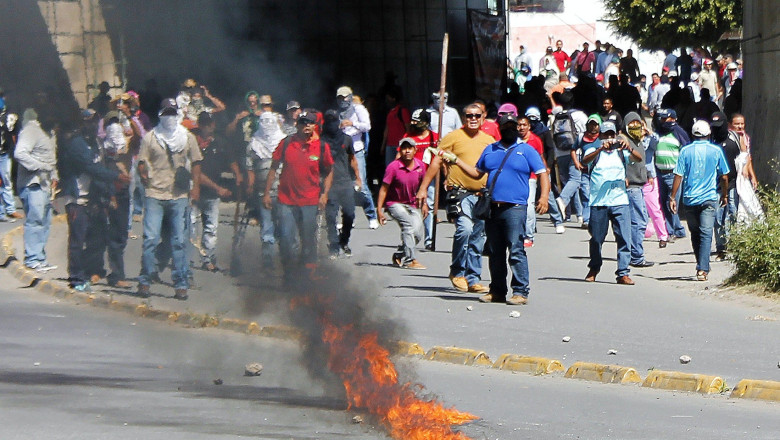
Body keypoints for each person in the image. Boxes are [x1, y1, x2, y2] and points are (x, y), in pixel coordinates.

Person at [433, 114, 550, 305]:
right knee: (495, 251)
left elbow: (542, 173)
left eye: (513, 126)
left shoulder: (526, 150)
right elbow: (477, 172)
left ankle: (520, 291)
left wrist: (543, 197)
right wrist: (455, 161)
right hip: (493, 208)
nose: (510, 129)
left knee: (516, 250)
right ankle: (497, 291)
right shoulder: (490, 150)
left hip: (515, 208)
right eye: (506, 126)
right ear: (500, 129)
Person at [416, 103, 493, 293]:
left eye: (476, 115)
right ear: (464, 117)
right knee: (465, 230)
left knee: (478, 236)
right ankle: (457, 271)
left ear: (483, 117)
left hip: (482, 195)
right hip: (460, 193)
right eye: (469, 115)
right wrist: (423, 188)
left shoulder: (489, 140)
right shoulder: (453, 137)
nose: (473, 119)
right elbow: (437, 161)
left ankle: (473, 278)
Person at [136, 98, 203, 300]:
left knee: (179, 241)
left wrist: (196, 187)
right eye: (166, 113)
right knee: (150, 239)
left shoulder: (187, 138)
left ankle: (181, 284)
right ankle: (145, 281)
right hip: (155, 194)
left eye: (173, 113)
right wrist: (143, 174)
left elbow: (197, 161)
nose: (170, 117)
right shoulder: (150, 137)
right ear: (160, 115)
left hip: (179, 195)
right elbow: (141, 161)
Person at [59, 110, 130, 291]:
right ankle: (75, 277)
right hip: (76, 198)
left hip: (93, 197)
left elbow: (101, 166)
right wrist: (115, 177)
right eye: (86, 122)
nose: (90, 126)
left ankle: (92, 271)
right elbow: (90, 168)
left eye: (93, 122)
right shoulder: (76, 144)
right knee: (78, 238)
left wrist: (109, 193)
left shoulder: (97, 143)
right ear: (81, 124)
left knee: (97, 237)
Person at [263, 111, 333, 284]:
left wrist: (324, 194)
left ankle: (306, 277)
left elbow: (330, 170)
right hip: (286, 200)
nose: (306, 125)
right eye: (303, 122)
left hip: (310, 202)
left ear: (314, 125)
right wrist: (266, 193)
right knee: (286, 239)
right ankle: (289, 274)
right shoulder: (286, 143)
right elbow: (273, 167)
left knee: (308, 241)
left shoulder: (322, 147)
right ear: (297, 124)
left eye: (310, 122)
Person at [581, 121, 643, 285]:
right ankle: (594, 267)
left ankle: (623, 272)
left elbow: (639, 158)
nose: (608, 138)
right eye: (605, 135)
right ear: (599, 136)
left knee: (624, 237)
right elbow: (584, 161)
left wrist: (628, 147)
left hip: (619, 200)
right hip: (599, 202)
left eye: (611, 135)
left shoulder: (621, 152)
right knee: (597, 238)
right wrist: (600, 148)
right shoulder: (593, 149)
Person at [669, 120, 729, 281]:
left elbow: (678, 175)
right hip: (709, 197)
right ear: (708, 134)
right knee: (706, 232)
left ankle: (701, 266)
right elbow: (724, 176)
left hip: (689, 199)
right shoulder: (716, 151)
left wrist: (673, 196)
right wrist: (724, 194)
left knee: (696, 232)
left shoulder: (685, 151)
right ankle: (702, 268)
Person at [191, 112, 240, 271]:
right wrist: (218, 188)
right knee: (191, 226)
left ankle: (208, 258)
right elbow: (196, 174)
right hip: (193, 191)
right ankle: (189, 259)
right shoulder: (191, 142)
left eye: (210, 123)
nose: (209, 126)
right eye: (205, 123)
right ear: (200, 125)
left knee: (211, 228)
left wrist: (237, 175)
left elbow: (231, 160)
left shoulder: (220, 142)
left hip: (211, 195)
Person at [14, 108, 58, 272]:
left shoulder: (50, 133)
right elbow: (20, 153)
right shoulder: (31, 131)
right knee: (35, 220)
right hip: (33, 184)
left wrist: (54, 175)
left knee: (45, 221)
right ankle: (32, 259)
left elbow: (51, 158)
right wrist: (40, 167)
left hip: (46, 185)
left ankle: (40, 257)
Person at [377, 138, 427, 270]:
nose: (407, 151)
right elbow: (384, 189)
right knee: (408, 227)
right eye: (404, 148)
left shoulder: (420, 166)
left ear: (415, 150)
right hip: (394, 203)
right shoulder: (393, 167)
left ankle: (400, 254)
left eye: (410, 148)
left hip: (412, 204)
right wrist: (379, 210)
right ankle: (410, 260)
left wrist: (425, 204)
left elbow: (423, 187)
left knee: (417, 234)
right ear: (400, 150)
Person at [321, 109, 360, 259]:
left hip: (345, 182)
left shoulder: (347, 139)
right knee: (331, 216)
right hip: (329, 184)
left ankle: (344, 241)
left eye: (334, 120)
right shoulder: (321, 142)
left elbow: (352, 159)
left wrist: (358, 178)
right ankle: (334, 245)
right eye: (328, 121)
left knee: (349, 214)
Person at [247, 111, 286, 260]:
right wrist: (250, 186)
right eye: (265, 122)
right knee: (267, 228)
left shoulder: (284, 142)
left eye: (271, 121)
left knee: (284, 227)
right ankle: (268, 262)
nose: (268, 125)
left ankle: (285, 261)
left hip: (283, 191)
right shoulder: (254, 144)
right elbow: (250, 167)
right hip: (263, 193)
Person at [336, 86, 378, 229]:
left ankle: (372, 216)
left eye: (345, 97)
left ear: (350, 96)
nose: (343, 100)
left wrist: (352, 123)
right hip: (342, 151)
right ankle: (348, 217)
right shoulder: (338, 113)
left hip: (356, 150)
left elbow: (367, 126)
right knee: (344, 187)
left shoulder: (358, 109)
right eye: (340, 98)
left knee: (361, 186)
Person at [403, 109, 439, 250]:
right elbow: (400, 156)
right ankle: (410, 235)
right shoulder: (409, 137)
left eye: (417, 122)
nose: (414, 124)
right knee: (410, 206)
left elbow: (441, 157)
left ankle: (429, 239)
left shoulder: (435, 138)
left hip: (429, 176)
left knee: (428, 206)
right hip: (411, 176)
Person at [621, 113, 653, 268]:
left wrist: (648, 175)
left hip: (640, 186)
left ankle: (634, 254)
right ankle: (637, 256)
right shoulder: (623, 140)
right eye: (631, 123)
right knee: (639, 222)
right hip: (631, 188)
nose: (635, 126)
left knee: (639, 220)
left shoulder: (638, 140)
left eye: (637, 123)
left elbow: (642, 162)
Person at [654, 108, 690, 241]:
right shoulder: (658, 132)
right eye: (661, 119)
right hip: (659, 173)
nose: (663, 121)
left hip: (674, 174)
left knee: (671, 202)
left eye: (666, 119)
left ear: (673, 119)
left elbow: (686, 151)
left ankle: (671, 231)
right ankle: (678, 229)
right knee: (664, 203)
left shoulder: (679, 132)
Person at [0, 102, 22, 221]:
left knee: (7, 182)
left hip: (4, 154)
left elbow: (15, 134)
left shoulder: (10, 116)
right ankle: (2, 213)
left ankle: (10, 209)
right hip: (5, 154)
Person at [381, 88, 410, 167]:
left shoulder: (402, 111)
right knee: (390, 167)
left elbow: (408, 129)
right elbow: (387, 129)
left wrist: (407, 144)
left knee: (401, 166)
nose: (386, 101)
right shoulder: (390, 113)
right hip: (389, 145)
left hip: (400, 145)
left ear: (393, 99)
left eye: (388, 98)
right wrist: (383, 145)